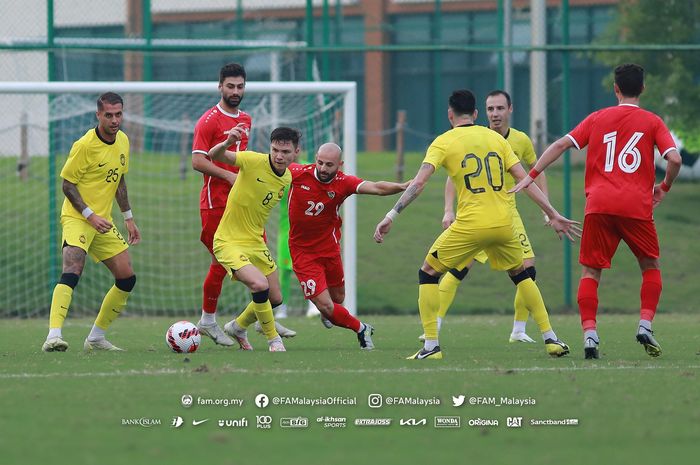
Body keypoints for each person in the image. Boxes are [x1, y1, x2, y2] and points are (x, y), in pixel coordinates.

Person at [374, 89, 580, 360]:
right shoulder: (497, 139)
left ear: (450, 115)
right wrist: (552, 213)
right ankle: (551, 338)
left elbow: (419, 183)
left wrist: (391, 215)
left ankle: (431, 346)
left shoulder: (443, 141)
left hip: (471, 225)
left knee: (428, 273)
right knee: (521, 274)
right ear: (475, 114)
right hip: (505, 224)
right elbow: (525, 179)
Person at [511, 63, 682, 359]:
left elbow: (561, 144)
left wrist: (531, 174)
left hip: (599, 205)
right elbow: (675, 159)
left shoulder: (597, 119)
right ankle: (645, 324)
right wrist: (663, 187)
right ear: (643, 88)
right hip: (636, 207)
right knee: (650, 266)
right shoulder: (652, 121)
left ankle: (590, 335)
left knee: (591, 271)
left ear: (615, 88)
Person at [422, 90, 551, 344]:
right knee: (458, 268)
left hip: (507, 213)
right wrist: (449, 209)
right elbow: (452, 175)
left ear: (510, 110)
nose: (495, 114)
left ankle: (519, 329)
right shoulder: (477, 137)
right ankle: (434, 323)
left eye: (500, 108)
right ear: (482, 112)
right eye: (491, 109)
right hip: (477, 214)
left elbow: (534, 173)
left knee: (528, 268)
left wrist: (547, 210)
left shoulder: (520, 140)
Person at [191, 62, 295, 345]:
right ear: (220, 86)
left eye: (240, 86)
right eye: (230, 86)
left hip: (244, 205)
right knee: (219, 261)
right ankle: (208, 321)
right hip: (215, 202)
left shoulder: (246, 119)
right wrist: (228, 176)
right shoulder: (208, 121)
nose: (236, 91)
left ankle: (253, 322)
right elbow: (198, 160)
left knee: (261, 268)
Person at [286, 143, 410, 349]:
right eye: (320, 163)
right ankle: (362, 328)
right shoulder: (296, 173)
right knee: (326, 306)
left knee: (338, 299)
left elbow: (377, 187)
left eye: (329, 165)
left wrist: (402, 186)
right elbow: (266, 169)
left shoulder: (343, 183)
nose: (324, 168)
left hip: (329, 249)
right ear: (315, 158)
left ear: (340, 165)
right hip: (302, 251)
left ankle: (331, 314)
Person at [42, 92, 140, 352]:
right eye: (108, 115)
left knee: (127, 277)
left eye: (118, 114)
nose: (115, 120)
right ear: (98, 115)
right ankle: (53, 336)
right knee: (73, 267)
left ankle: (96, 337)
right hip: (78, 217)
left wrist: (128, 218)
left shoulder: (123, 141)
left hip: (103, 221)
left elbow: (119, 179)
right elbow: (67, 184)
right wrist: (89, 215)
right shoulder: (85, 145)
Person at [207, 126, 302, 352]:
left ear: (295, 152)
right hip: (228, 241)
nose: (279, 156)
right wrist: (228, 142)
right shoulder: (251, 160)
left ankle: (238, 326)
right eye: (275, 149)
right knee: (260, 285)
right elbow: (214, 155)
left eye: (285, 152)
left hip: (255, 242)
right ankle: (273, 340)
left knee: (276, 297)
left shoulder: (287, 177)